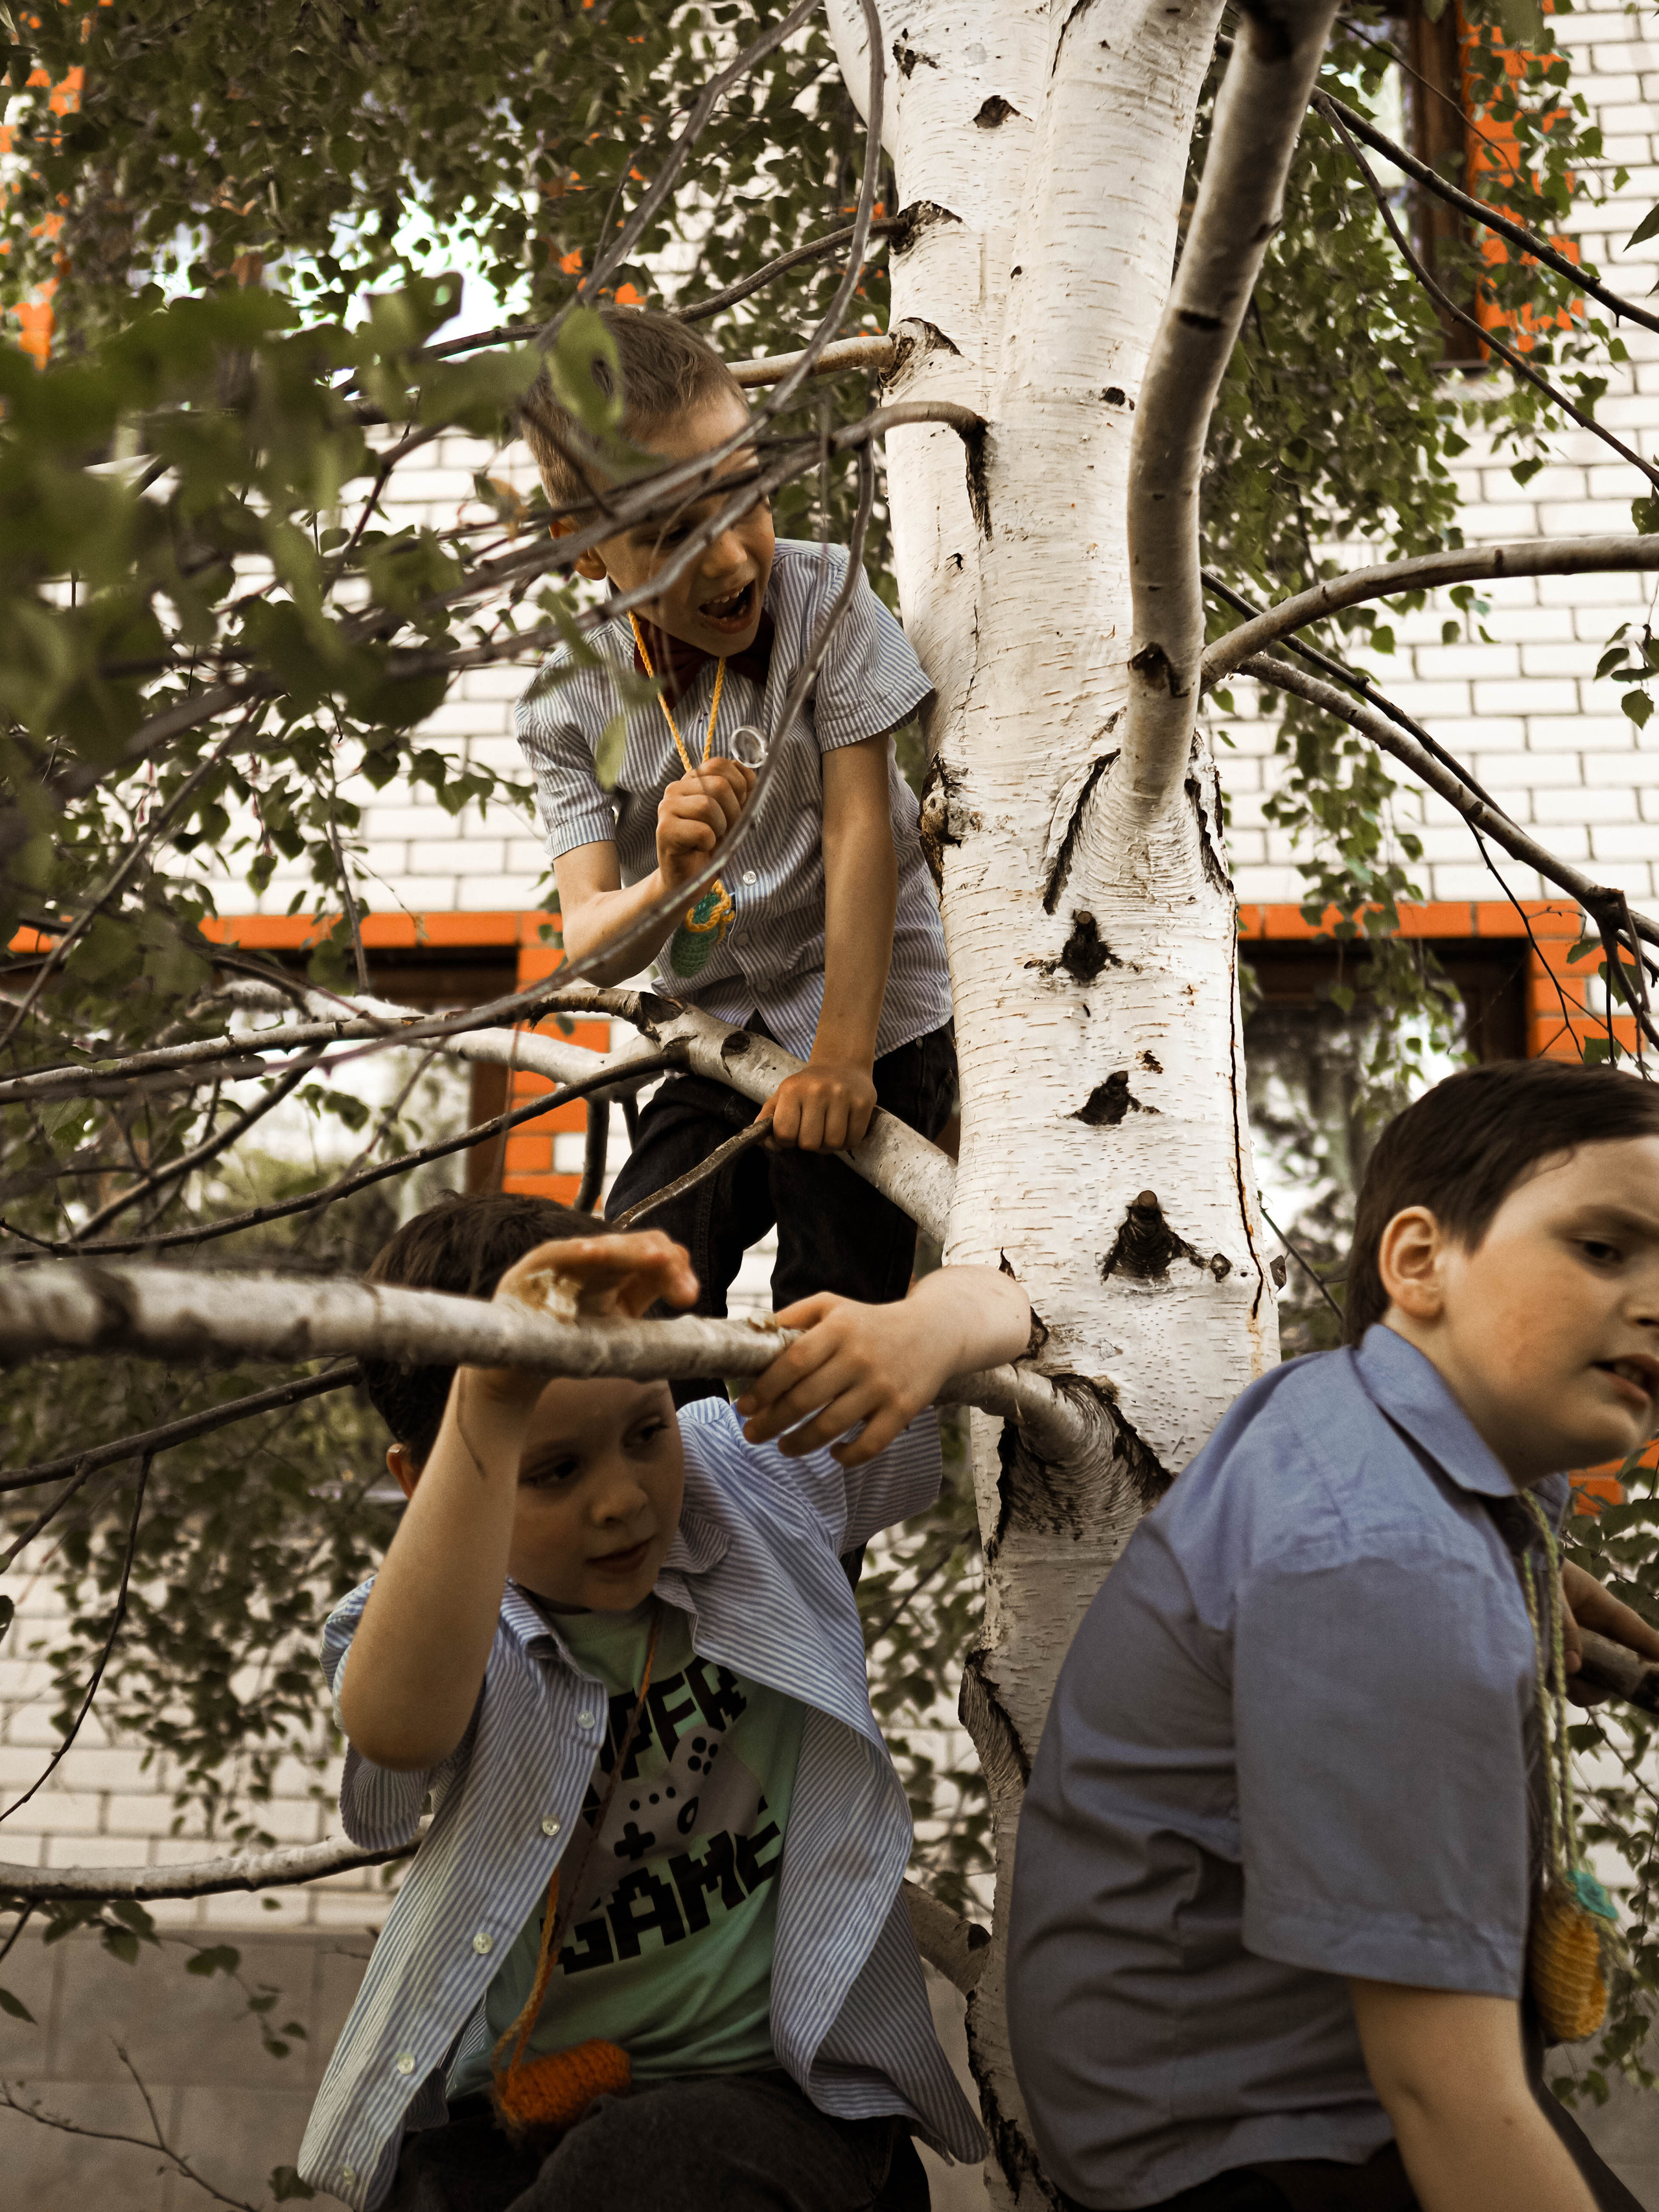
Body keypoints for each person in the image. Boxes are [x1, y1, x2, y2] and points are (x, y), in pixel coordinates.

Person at [1006, 1056, 1659, 2212]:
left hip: (1229, 2080)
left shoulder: (1368, 1410)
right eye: (1603, 1248)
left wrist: (1527, 1594)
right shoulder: (1389, 1565)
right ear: (1419, 1263)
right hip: (1251, 2146)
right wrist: (1463, 1618)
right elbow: (1447, 2099)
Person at [296, 1189, 1027, 2211]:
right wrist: (488, 1400)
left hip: (778, 2121)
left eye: (645, 1429)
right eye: (550, 1469)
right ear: (427, 1483)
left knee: (658, 2160)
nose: (623, 1497)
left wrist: (925, 1325)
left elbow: (1019, 1300)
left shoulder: (749, 1475)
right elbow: (394, 1725)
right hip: (513, 2130)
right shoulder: (433, 1617)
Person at [513, 308, 955, 1380]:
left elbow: (861, 829)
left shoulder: (830, 600)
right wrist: (666, 885)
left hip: (871, 1025)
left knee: (826, 1318)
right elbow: (590, 944)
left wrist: (843, 1054)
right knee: (638, 1285)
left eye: (745, 491)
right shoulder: (568, 705)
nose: (728, 554)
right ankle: (664, 1519)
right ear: (586, 555)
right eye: (669, 534)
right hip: (711, 1040)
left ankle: (808, 1541)